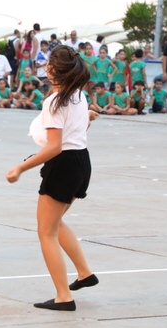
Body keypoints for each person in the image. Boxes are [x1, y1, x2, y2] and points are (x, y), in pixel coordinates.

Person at [6, 45, 98, 311]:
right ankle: (84, 273)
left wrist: (21, 167)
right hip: (81, 162)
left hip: (64, 165)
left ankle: (63, 296)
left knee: (46, 232)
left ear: (52, 70)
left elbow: (55, 147)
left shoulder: (54, 102)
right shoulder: (78, 96)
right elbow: (76, 130)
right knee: (55, 223)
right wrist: (88, 117)